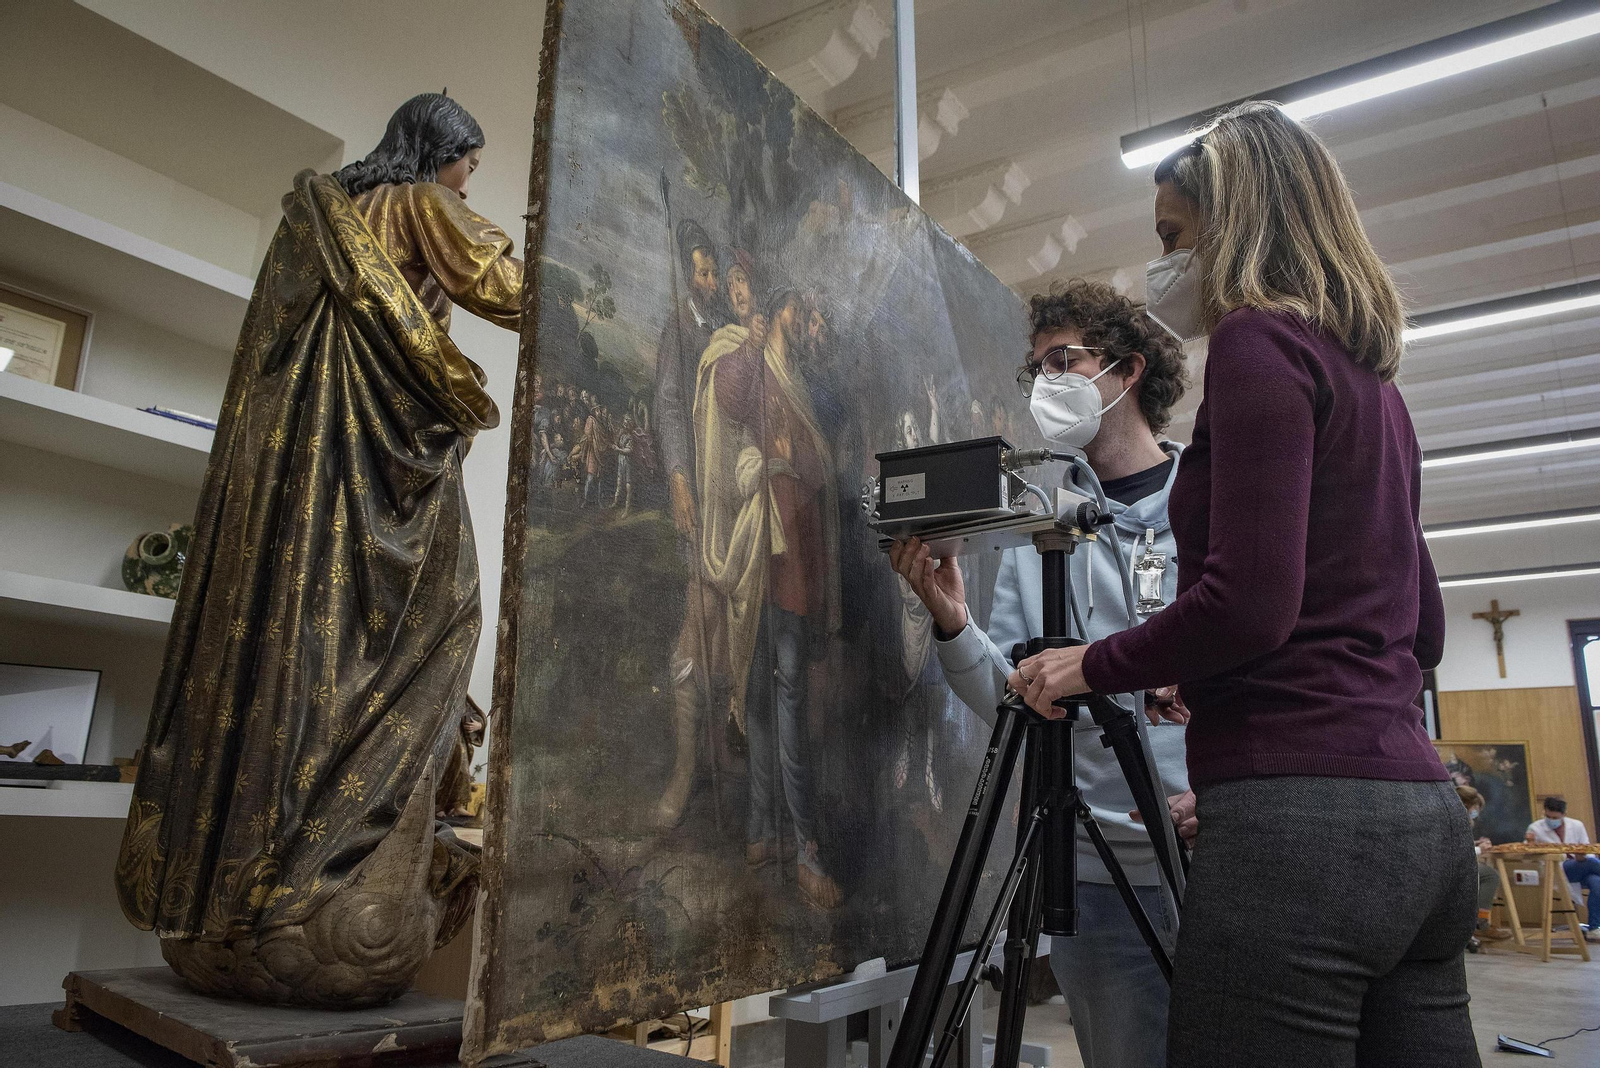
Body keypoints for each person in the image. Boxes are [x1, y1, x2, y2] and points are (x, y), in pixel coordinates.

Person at [1003, 102, 1476, 1066]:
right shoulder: (1374, 383)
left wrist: (1094, 665)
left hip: (1302, 834)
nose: (1166, 263)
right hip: (1419, 821)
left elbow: (1250, 603)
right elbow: (1420, 625)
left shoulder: (1261, 344)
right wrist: (1220, 683)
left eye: (1173, 236)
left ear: (1236, 220)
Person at [116, 94, 521, 991]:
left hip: (307, 484)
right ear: (438, 154)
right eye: (469, 163)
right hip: (391, 471)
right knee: (441, 625)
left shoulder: (316, 222)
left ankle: (244, 891)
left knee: (307, 652)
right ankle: (321, 883)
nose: (467, 180)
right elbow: (510, 293)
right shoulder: (420, 203)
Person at [891, 278, 1190, 1068]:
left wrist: (1237, 794)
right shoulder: (1040, 526)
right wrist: (954, 622)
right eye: (1037, 370)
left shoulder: (1212, 502)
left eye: (1065, 360)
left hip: (1212, 854)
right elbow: (1018, 698)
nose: (1048, 384)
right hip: (1091, 870)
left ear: (1126, 372)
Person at [696, 278, 843, 910]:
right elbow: (730, 396)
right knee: (767, 689)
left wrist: (804, 465)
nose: (809, 322)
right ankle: (793, 841)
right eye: (803, 310)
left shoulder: (795, 377)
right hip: (768, 549)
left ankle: (770, 831)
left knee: (776, 690)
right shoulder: (756, 360)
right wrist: (753, 350)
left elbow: (811, 463)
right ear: (786, 309)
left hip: (795, 548)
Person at [651, 219, 731, 827]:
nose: (707, 283)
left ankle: (718, 756)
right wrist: (679, 478)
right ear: (688, 274)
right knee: (694, 624)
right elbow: (669, 408)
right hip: (700, 497)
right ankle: (682, 771)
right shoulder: (679, 329)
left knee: (729, 631)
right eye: (700, 273)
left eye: (713, 273)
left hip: (736, 497)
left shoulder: (728, 332)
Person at [1526, 797, 1600, 937]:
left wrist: (1582, 856)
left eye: (1555, 817)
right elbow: (1527, 856)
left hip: (1581, 867)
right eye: (1548, 816)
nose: (1550, 820)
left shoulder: (1577, 825)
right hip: (1557, 869)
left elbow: (1587, 848)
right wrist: (1531, 846)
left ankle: (1594, 928)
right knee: (1591, 864)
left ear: (1564, 814)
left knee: (1597, 883)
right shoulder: (1535, 828)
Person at [1456, 785, 1511, 948]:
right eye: (1476, 808)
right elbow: (1457, 851)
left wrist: (1475, 843)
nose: (1476, 813)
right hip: (1451, 868)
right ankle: (1480, 922)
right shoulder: (1459, 819)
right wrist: (1480, 849)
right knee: (1490, 875)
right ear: (1467, 806)